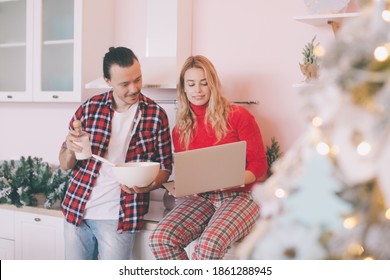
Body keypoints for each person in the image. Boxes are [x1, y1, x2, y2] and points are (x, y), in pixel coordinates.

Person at [149, 55, 268, 260]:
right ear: (183, 88)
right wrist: (183, 185)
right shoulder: (180, 129)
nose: (198, 90)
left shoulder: (238, 116)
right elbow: (190, 171)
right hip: (201, 197)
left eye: (204, 83)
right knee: (160, 238)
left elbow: (259, 166)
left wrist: (232, 179)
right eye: (191, 84)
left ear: (213, 84)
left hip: (242, 196)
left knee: (210, 244)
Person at [59, 47, 173, 260]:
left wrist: (150, 183)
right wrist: (70, 148)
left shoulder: (156, 115)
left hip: (120, 216)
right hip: (76, 210)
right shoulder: (88, 109)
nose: (133, 88)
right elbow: (66, 164)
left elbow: (166, 167)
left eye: (137, 80)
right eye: (124, 84)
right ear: (107, 81)